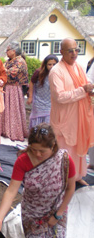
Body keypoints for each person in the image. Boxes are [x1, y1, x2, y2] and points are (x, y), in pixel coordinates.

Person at [49, 37, 94, 185]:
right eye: (70, 51)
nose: (74, 53)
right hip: (65, 119)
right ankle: (63, 179)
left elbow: (86, 84)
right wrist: (82, 90)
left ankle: (78, 176)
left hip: (79, 118)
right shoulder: (56, 71)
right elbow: (60, 97)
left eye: (77, 50)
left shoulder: (79, 67)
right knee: (65, 150)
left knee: (78, 149)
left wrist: (89, 90)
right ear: (61, 52)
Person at [0, 41, 29, 142]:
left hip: (14, 89)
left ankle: (14, 132)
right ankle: (5, 130)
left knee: (13, 110)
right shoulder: (10, 61)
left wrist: (2, 69)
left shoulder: (20, 61)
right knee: (6, 110)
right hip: (7, 88)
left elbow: (9, 73)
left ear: (13, 51)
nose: (6, 52)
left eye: (8, 50)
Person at [27, 54, 59, 129]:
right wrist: (30, 97)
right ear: (45, 65)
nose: (52, 67)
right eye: (49, 64)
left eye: (54, 64)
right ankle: (36, 135)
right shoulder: (39, 72)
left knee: (48, 118)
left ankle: (46, 137)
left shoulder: (58, 74)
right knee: (38, 118)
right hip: (39, 100)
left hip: (50, 101)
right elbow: (32, 82)